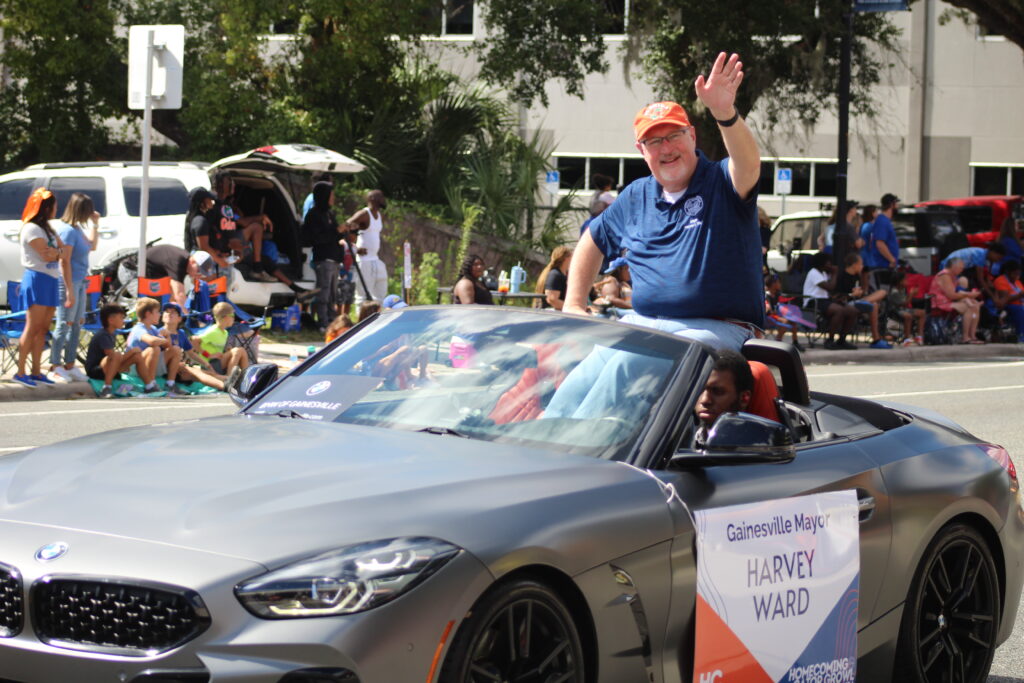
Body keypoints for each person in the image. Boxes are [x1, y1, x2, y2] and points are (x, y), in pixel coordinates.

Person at [564, 52, 763, 352]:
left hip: (716, 330)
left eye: (674, 135)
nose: (666, 148)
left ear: (692, 136)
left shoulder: (721, 181)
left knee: (635, 365)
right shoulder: (635, 196)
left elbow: (748, 164)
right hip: (645, 324)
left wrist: (725, 112)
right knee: (568, 373)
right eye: (654, 141)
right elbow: (592, 239)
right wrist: (574, 304)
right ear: (641, 150)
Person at [14, 188, 74, 387]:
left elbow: (62, 251)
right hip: (37, 278)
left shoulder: (48, 228)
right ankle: (21, 371)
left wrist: (56, 252)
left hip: (50, 279)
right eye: (54, 205)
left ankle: (36, 371)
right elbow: (46, 255)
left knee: (42, 329)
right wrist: (57, 252)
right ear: (46, 207)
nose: (56, 209)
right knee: (32, 328)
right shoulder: (31, 228)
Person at [48, 192, 99, 383]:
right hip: (69, 282)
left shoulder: (76, 228)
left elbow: (92, 246)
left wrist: (95, 224)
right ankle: (55, 365)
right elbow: (64, 261)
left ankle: (70, 363)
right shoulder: (67, 230)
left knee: (77, 324)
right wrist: (69, 290)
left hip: (80, 281)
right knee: (64, 323)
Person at [159, 302, 240, 393]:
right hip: (167, 370)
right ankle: (225, 385)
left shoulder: (181, 333)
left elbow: (191, 353)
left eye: (173, 312)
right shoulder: (159, 332)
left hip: (182, 368)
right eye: (166, 311)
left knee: (206, 373)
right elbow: (194, 341)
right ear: (162, 317)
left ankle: (231, 381)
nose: (169, 313)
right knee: (196, 372)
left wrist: (206, 364)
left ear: (179, 318)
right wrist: (208, 355)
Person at [304, 181, 344, 331]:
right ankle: (322, 321)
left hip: (334, 258)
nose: (333, 198)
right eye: (331, 195)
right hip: (323, 258)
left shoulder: (329, 214)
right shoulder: (313, 214)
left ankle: (332, 320)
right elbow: (316, 238)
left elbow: (334, 233)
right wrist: (335, 232)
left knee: (333, 293)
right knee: (324, 291)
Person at [694, 349, 753, 449]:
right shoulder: (674, 437)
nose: (705, 400)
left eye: (717, 392)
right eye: (699, 389)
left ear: (744, 398)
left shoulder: (754, 452)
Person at [83, 304, 145, 398]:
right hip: (95, 370)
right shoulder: (103, 335)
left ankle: (150, 385)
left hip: (108, 368)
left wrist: (130, 357)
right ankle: (106, 388)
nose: (123, 321)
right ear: (111, 320)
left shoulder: (111, 334)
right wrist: (131, 352)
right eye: (121, 318)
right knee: (117, 354)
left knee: (137, 356)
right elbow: (113, 357)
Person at [834, 253, 891, 349]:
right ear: (854, 264)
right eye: (860, 264)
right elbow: (837, 296)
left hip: (858, 301)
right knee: (874, 305)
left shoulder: (857, 276)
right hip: (847, 303)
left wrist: (863, 277)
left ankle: (876, 339)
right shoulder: (842, 276)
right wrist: (852, 295)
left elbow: (864, 290)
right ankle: (876, 339)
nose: (862, 266)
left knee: (881, 294)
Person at [802, 252, 857, 350]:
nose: (830, 265)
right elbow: (829, 287)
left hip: (824, 300)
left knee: (852, 311)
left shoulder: (823, 273)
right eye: (828, 263)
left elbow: (828, 291)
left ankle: (842, 340)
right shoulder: (814, 272)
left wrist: (836, 298)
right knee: (838, 311)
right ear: (821, 263)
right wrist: (835, 273)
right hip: (813, 301)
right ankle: (830, 340)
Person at [126, 297, 181, 393]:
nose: (159, 314)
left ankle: (170, 384)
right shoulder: (138, 328)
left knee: (176, 349)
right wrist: (163, 339)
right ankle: (150, 385)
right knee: (154, 349)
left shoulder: (153, 328)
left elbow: (168, 346)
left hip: (149, 363)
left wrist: (167, 336)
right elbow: (152, 341)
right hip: (135, 367)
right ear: (148, 314)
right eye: (157, 312)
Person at [346, 190, 389, 304]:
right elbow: (346, 225)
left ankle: (377, 319)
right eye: (381, 197)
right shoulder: (364, 214)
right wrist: (355, 248)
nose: (383, 200)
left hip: (375, 259)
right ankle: (361, 319)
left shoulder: (379, 215)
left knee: (379, 295)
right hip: (364, 261)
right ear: (373, 199)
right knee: (362, 297)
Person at [144, 244, 216, 311]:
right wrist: (188, 316)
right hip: (137, 269)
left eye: (202, 274)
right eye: (199, 271)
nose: (199, 276)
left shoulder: (185, 262)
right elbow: (179, 294)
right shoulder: (179, 262)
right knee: (151, 307)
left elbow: (173, 291)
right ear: (193, 262)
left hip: (150, 272)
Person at [929, 257, 983, 344]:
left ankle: (972, 335)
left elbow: (958, 292)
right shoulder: (944, 275)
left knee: (975, 305)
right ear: (954, 266)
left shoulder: (953, 277)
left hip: (950, 301)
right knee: (968, 307)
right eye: (961, 267)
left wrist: (970, 295)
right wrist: (969, 294)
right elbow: (952, 295)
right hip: (941, 303)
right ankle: (965, 337)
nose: (962, 269)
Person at [193, 301, 251, 376]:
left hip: (217, 363)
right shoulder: (213, 331)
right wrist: (208, 355)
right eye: (233, 315)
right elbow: (194, 341)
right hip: (209, 365)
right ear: (226, 317)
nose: (234, 318)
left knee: (241, 351)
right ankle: (229, 378)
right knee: (238, 350)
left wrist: (226, 351)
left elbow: (216, 347)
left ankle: (246, 378)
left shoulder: (225, 332)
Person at [865, 193, 901, 281]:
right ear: (892, 204)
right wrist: (891, 259)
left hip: (885, 265)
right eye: (896, 203)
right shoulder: (882, 221)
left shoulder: (885, 221)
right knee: (883, 291)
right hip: (883, 266)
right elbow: (880, 243)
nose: (898, 206)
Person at [886, 270, 926, 346]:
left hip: (904, 309)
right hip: (896, 310)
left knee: (922, 313)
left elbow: (905, 301)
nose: (907, 281)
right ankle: (907, 338)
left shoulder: (903, 289)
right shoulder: (894, 292)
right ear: (900, 282)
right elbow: (904, 303)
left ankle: (919, 336)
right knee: (908, 316)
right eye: (905, 280)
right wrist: (911, 294)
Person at [991, 259, 1024, 342]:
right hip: (1008, 307)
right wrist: (1019, 295)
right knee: (1019, 310)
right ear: (1008, 272)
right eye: (1015, 274)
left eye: (1018, 274)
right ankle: (1021, 335)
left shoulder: (1018, 282)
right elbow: (1004, 300)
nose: (1017, 276)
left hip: (1020, 304)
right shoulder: (1000, 281)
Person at [536, 246, 572, 310]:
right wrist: (571, 308)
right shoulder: (555, 275)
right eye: (572, 257)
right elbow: (552, 300)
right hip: (552, 314)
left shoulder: (564, 274)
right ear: (566, 258)